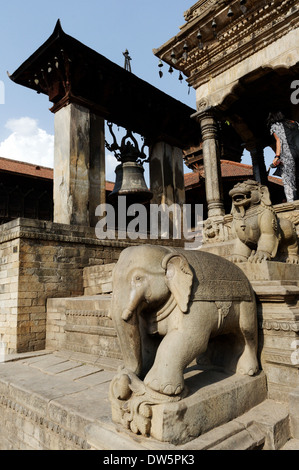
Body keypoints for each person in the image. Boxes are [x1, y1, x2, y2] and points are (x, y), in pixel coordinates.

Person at [267, 111, 299, 202]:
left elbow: (279, 141)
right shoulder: (295, 123)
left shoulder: (275, 126)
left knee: (288, 180)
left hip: (288, 155)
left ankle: (292, 203)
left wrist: (277, 156)